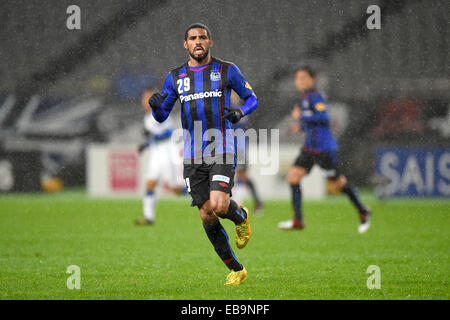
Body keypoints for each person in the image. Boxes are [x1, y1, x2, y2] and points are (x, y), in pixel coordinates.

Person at [147, 23, 258, 285]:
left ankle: (240, 216)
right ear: (185, 44)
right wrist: (155, 107)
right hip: (192, 155)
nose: (198, 42)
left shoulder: (227, 70)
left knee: (220, 205)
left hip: (221, 147)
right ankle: (236, 269)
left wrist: (240, 113)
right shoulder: (175, 77)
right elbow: (162, 115)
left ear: (210, 42)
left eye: (203, 37)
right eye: (193, 38)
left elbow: (252, 98)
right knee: (207, 214)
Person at [278, 66, 371, 234]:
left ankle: (363, 210)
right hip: (309, 147)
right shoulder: (304, 97)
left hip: (322, 148)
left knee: (338, 184)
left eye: (304, 78)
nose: (300, 81)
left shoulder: (316, 96)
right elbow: (312, 123)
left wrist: (302, 117)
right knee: (293, 177)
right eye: (298, 78)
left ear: (312, 80)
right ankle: (297, 220)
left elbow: (323, 117)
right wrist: (301, 127)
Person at [135, 88, 184, 225]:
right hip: (156, 153)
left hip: (168, 152)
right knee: (150, 183)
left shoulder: (161, 113)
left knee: (176, 189)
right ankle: (148, 218)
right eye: (144, 98)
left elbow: (168, 132)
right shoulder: (147, 117)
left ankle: (203, 196)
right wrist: (145, 145)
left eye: (148, 98)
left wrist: (152, 135)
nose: (145, 101)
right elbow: (154, 136)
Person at [229, 91, 263, 213]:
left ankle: (241, 202)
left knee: (240, 175)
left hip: (239, 146)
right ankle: (251, 201)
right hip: (234, 146)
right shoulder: (240, 110)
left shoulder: (237, 110)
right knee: (238, 175)